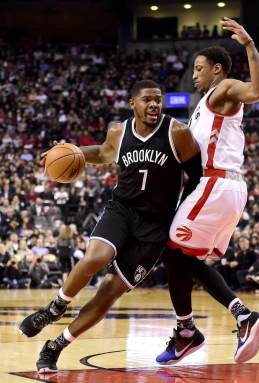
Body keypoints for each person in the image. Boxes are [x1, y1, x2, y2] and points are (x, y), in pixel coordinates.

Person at [19, 80, 202, 372]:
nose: (154, 104)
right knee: (95, 257)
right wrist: (73, 151)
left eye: (158, 100)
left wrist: (186, 217)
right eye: (147, 100)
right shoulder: (119, 131)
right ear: (133, 103)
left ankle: (55, 345)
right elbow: (104, 153)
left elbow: (197, 177)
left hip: (155, 224)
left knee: (108, 293)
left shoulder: (178, 133)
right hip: (122, 210)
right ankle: (55, 308)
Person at [156, 17, 259, 365]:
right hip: (223, 188)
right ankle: (202, 326)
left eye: (199, 68)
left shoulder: (223, 89)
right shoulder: (203, 106)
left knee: (174, 250)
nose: (194, 74)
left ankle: (228, 320)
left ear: (217, 70)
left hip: (216, 184)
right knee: (181, 257)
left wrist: (249, 45)